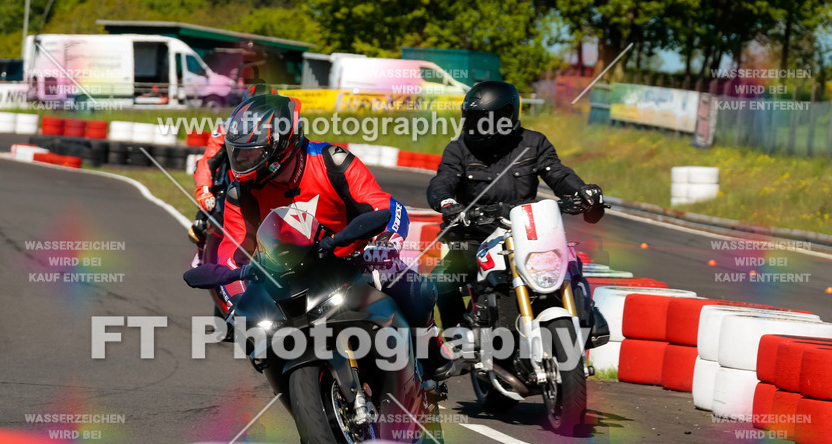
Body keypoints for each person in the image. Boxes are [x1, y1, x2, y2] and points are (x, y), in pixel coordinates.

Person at [183, 94, 453, 380]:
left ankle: (430, 349)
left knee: (413, 287)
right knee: (255, 331)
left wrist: (386, 242)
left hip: (355, 260)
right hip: (287, 274)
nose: (240, 159)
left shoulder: (332, 161)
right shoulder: (240, 193)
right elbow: (232, 252)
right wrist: (237, 300)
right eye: (237, 152)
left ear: (280, 145)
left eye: (251, 152)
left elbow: (384, 205)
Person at [426, 80, 608, 344]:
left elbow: (557, 174)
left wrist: (582, 192)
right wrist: (447, 203)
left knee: (572, 264)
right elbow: (442, 181)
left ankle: (586, 321)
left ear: (505, 116)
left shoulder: (533, 143)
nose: (474, 125)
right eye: (471, 118)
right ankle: (457, 341)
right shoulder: (459, 149)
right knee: (443, 278)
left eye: (482, 119)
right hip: (475, 235)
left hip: (528, 233)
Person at [189, 83, 278, 314]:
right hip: (230, 199)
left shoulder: (285, 131)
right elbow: (206, 163)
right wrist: (204, 191)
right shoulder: (227, 128)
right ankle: (227, 306)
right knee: (210, 242)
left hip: (272, 199)